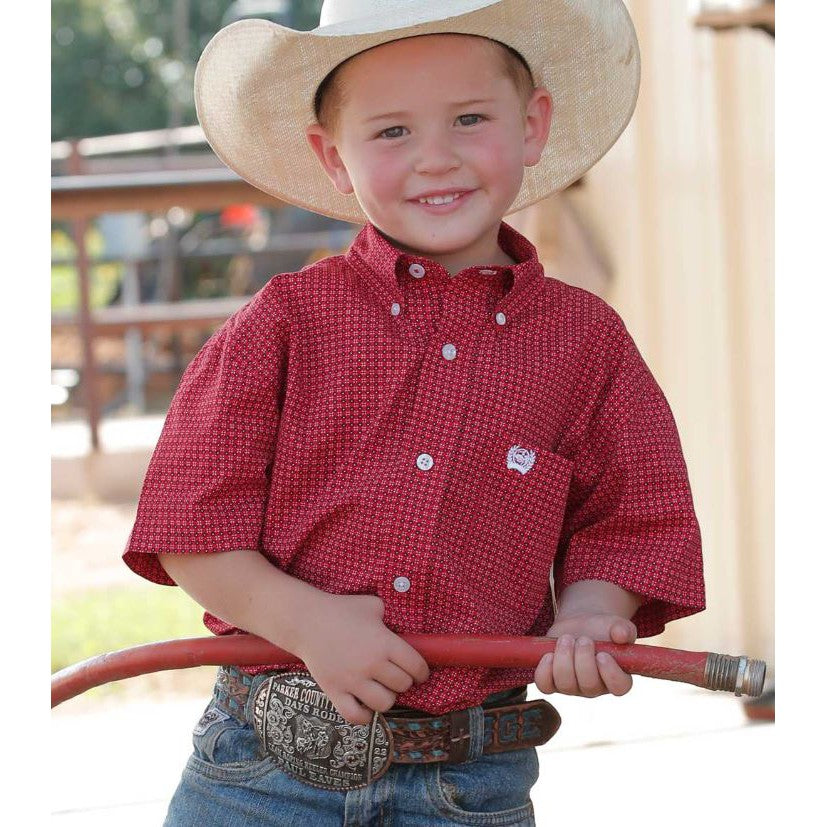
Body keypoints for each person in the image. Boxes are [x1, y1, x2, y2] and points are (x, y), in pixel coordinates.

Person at [123, 1, 705, 824]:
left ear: (532, 126)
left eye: (469, 119)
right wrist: (309, 624)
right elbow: (190, 525)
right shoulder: (284, 323)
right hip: (262, 774)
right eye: (391, 131)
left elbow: (631, 518)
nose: (436, 158)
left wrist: (589, 613)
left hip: (469, 781)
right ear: (334, 157)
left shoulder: (585, 342)